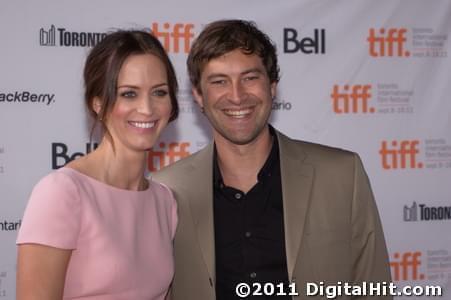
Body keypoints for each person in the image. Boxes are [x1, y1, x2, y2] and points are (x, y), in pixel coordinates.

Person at [153, 19, 392, 299]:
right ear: (198, 95)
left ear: (273, 86)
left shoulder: (341, 174)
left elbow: (373, 286)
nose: (237, 96)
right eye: (219, 82)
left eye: (250, 78)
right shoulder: (165, 190)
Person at [16, 30, 179, 300]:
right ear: (98, 103)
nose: (147, 109)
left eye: (159, 92)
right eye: (129, 94)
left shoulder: (164, 201)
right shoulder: (63, 193)